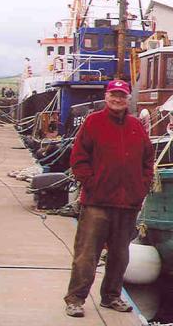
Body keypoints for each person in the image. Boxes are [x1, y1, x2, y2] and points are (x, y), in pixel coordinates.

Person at [64, 79, 154, 318]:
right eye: (114, 95)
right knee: (86, 254)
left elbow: (147, 161)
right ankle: (75, 299)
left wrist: (141, 188)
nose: (117, 99)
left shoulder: (136, 127)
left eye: (122, 96)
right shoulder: (93, 122)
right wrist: (92, 184)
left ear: (128, 100)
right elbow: (78, 159)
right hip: (97, 203)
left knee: (120, 254)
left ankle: (111, 296)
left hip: (127, 204)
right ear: (106, 97)